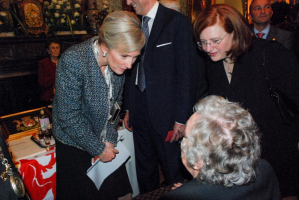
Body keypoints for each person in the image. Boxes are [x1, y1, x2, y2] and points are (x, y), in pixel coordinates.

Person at [193, 4, 299, 199]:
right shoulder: (212, 62)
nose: (208, 48)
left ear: (235, 32)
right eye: (203, 42)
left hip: (277, 152)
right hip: (240, 158)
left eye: (215, 40)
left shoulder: (270, 53)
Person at [52, 11, 145, 200]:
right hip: (74, 144)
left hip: (103, 140)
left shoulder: (117, 65)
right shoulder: (73, 60)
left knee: (121, 193)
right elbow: (68, 117)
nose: (129, 65)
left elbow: (116, 105)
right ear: (105, 45)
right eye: (125, 56)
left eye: (134, 57)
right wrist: (99, 149)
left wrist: (109, 139)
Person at [124, 0, 206, 194]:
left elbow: (187, 73)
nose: (128, 2)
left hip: (168, 115)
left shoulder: (177, 22)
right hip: (139, 110)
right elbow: (131, 69)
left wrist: (181, 117)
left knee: (173, 171)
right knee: (144, 169)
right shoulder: (135, 24)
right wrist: (129, 106)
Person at [160, 95, 282, 200]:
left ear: (198, 161)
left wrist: (187, 192)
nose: (181, 142)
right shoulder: (264, 169)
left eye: (184, 136)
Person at [38, 39, 61, 106]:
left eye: (57, 47)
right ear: (48, 50)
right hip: (49, 96)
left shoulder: (64, 61)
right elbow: (42, 82)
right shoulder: (43, 63)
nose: (55, 50)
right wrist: (58, 76)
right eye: (53, 48)